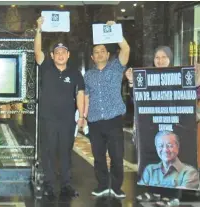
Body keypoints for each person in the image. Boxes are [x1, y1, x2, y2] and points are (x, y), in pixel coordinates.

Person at [126, 46, 194, 206]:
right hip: (151, 128)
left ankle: (174, 195)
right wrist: (131, 81)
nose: (160, 60)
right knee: (154, 160)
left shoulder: (178, 77)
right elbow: (136, 99)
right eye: (157, 57)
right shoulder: (149, 77)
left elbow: (190, 95)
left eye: (164, 57)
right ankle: (155, 193)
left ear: (170, 59)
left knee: (173, 160)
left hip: (173, 128)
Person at [34, 16, 84, 198]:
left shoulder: (75, 73)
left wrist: (82, 116)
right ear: (53, 56)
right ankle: (48, 183)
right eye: (57, 52)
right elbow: (37, 51)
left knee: (65, 152)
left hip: (67, 120)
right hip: (48, 119)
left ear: (68, 55)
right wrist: (39, 28)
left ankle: (66, 184)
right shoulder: (46, 67)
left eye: (64, 52)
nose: (61, 55)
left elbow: (80, 94)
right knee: (48, 151)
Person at [84, 20, 130, 198]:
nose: (100, 53)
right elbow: (86, 96)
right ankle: (102, 184)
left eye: (102, 50)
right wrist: (83, 117)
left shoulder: (116, 68)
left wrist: (115, 31)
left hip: (114, 119)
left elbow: (125, 49)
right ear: (92, 57)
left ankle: (117, 187)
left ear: (108, 54)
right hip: (95, 121)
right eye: (96, 52)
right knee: (98, 156)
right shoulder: (88, 75)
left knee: (117, 156)